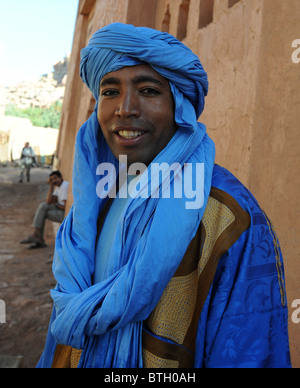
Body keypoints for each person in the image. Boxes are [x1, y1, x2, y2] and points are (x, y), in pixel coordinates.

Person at [37, 23, 291, 368]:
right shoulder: (99, 193)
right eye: (110, 91)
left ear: (180, 106)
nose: (125, 108)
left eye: (148, 90)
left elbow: (249, 348)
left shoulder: (228, 215)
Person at [20, 170, 69, 249]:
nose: (53, 181)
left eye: (55, 178)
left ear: (61, 177)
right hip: (59, 210)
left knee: (42, 213)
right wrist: (51, 186)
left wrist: (56, 204)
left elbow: (66, 206)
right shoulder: (58, 187)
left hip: (65, 214)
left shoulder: (65, 185)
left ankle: (38, 237)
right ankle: (37, 235)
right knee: (43, 206)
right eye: (51, 179)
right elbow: (48, 201)